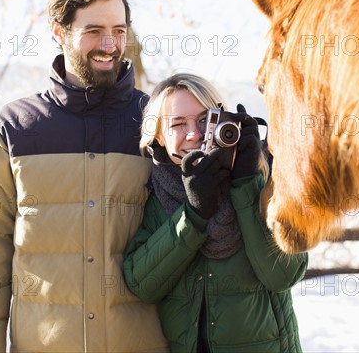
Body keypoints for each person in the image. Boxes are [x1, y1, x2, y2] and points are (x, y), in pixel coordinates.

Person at [0, 0, 168, 352]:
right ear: (59, 32)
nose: (109, 44)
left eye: (119, 31)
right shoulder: (13, 129)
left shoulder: (159, 123)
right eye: (93, 31)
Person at [123, 73, 308, 353]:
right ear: (159, 136)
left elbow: (284, 275)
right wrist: (194, 215)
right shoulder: (157, 195)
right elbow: (142, 284)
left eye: (203, 120)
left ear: (223, 120)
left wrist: (246, 182)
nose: (194, 134)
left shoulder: (264, 177)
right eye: (177, 124)